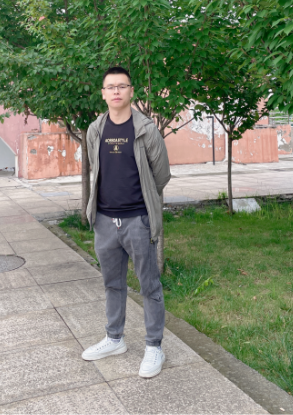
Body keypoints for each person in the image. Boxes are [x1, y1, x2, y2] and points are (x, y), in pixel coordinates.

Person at [82, 66, 171, 378]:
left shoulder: (145, 129)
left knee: (149, 285)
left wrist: (141, 202)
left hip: (138, 221)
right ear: (103, 94)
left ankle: (154, 346)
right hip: (105, 221)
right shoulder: (95, 130)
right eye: (111, 87)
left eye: (122, 86)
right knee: (112, 283)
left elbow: (161, 174)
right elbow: (96, 167)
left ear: (132, 91)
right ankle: (114, 338)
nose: (116, 91)